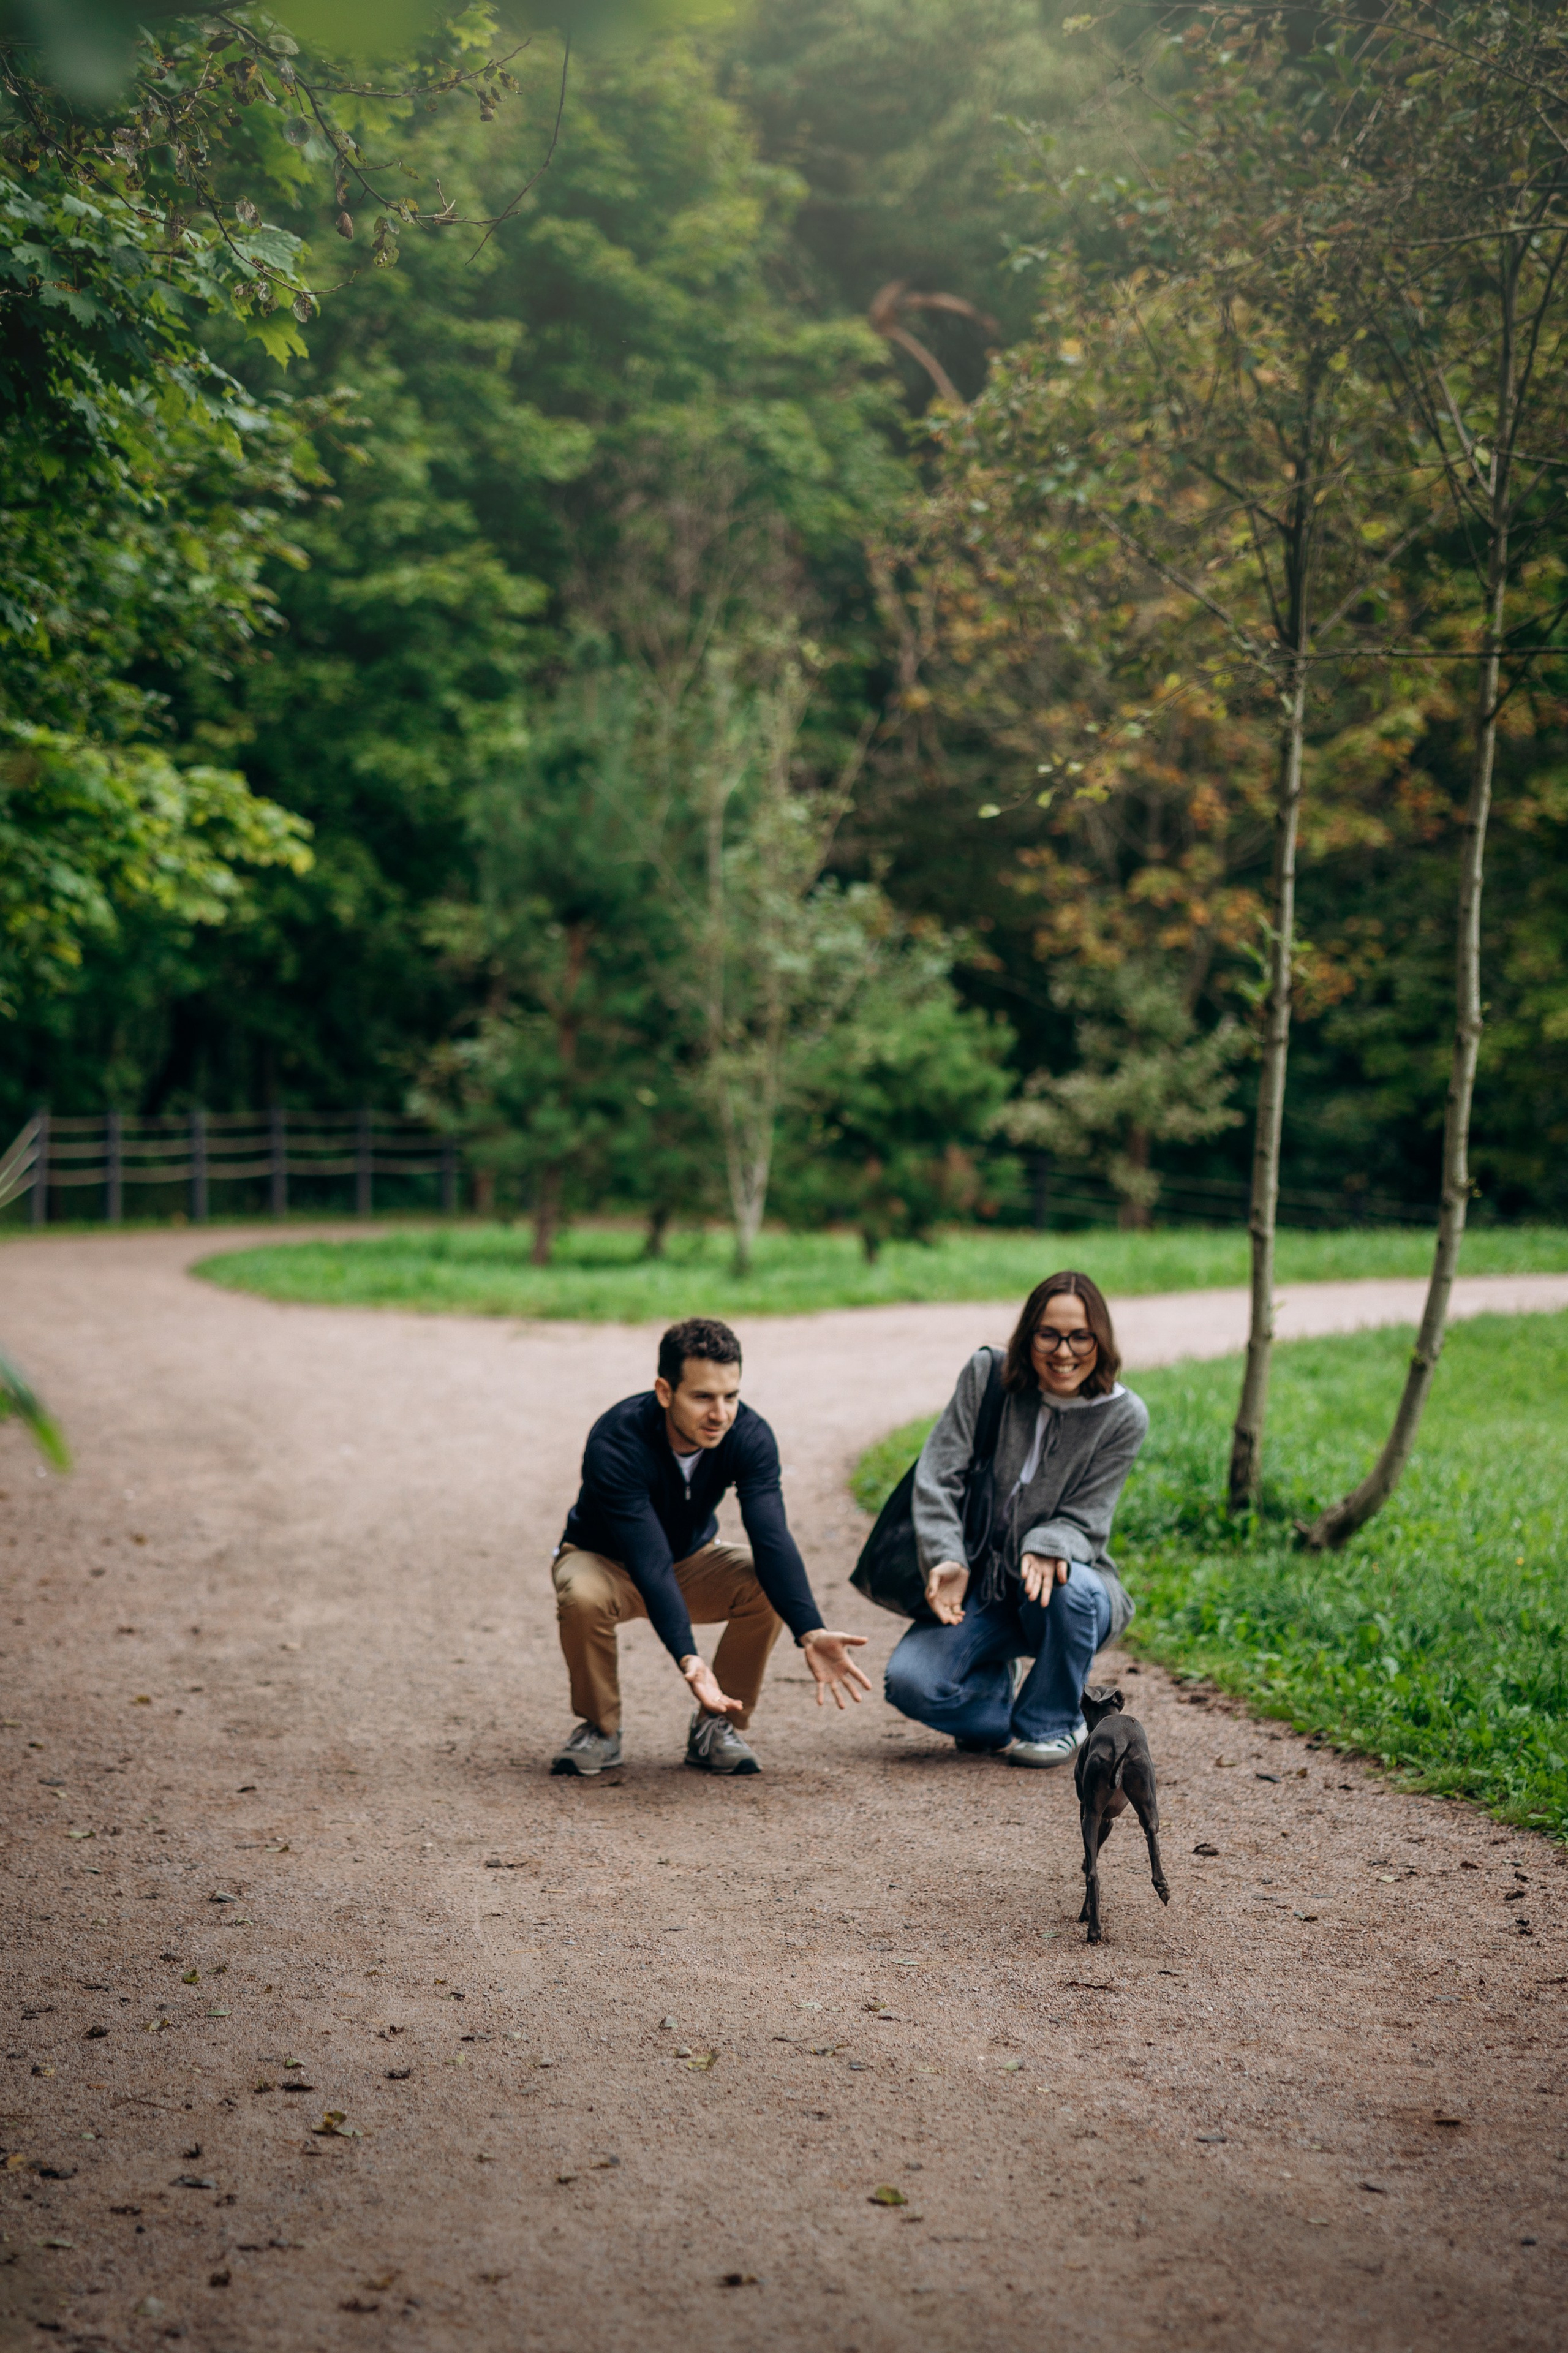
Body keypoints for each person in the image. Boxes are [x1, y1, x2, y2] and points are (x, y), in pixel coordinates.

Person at [550, 1315, 871, 1777]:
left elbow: (772, 1537)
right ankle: (600, 1729)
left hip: (692, 1560)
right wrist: (688, 1655)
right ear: (665, 1392)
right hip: (605, 1562)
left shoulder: (749, 1435)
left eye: (730, 1395)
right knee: (581, 1595)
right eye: (702, 1397)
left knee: (764, 1580)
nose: (720, 1413)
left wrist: (811, 1629)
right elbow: (648, 1559)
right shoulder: (617, 1440)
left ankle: (717, 1726)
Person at [884, 1271, 1147, 1767]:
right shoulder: (988, 1377)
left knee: (1067, 1587)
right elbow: (937, 1475)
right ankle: (1001, 1699)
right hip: (984, 1584)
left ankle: (1052, 1721)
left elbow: (1087, 1518)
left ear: (1100, 1340)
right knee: (911, 1683)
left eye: (1080, 1336)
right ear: (1028, 1336)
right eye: (1048, 1334)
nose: (1063, 1351)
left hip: (1074, 1591)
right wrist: (946, 1555)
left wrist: (1046, 1544)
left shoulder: (1123, 1414)